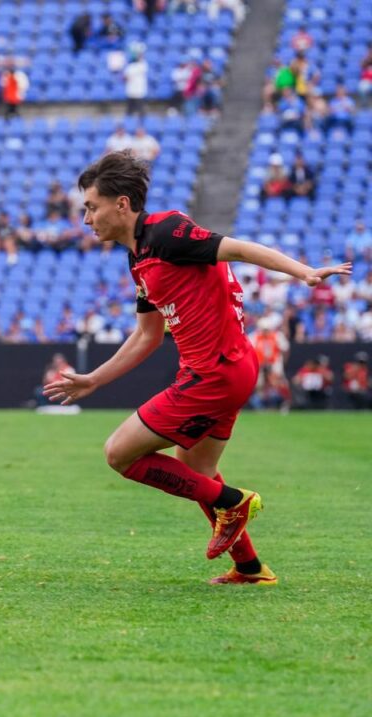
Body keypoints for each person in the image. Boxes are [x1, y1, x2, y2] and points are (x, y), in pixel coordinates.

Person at [44, 151, 351, 586]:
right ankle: (250, 568)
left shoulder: (167, 231)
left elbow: (239, 248)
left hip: (214, 373)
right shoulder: (139, 257)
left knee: (120, 454)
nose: (87, 218)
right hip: (228, 369)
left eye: (92, 207)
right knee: (195, 469)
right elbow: (147, 336)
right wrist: (95, 379)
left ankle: (233, 500)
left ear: (123, 205)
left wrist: (303, 273)